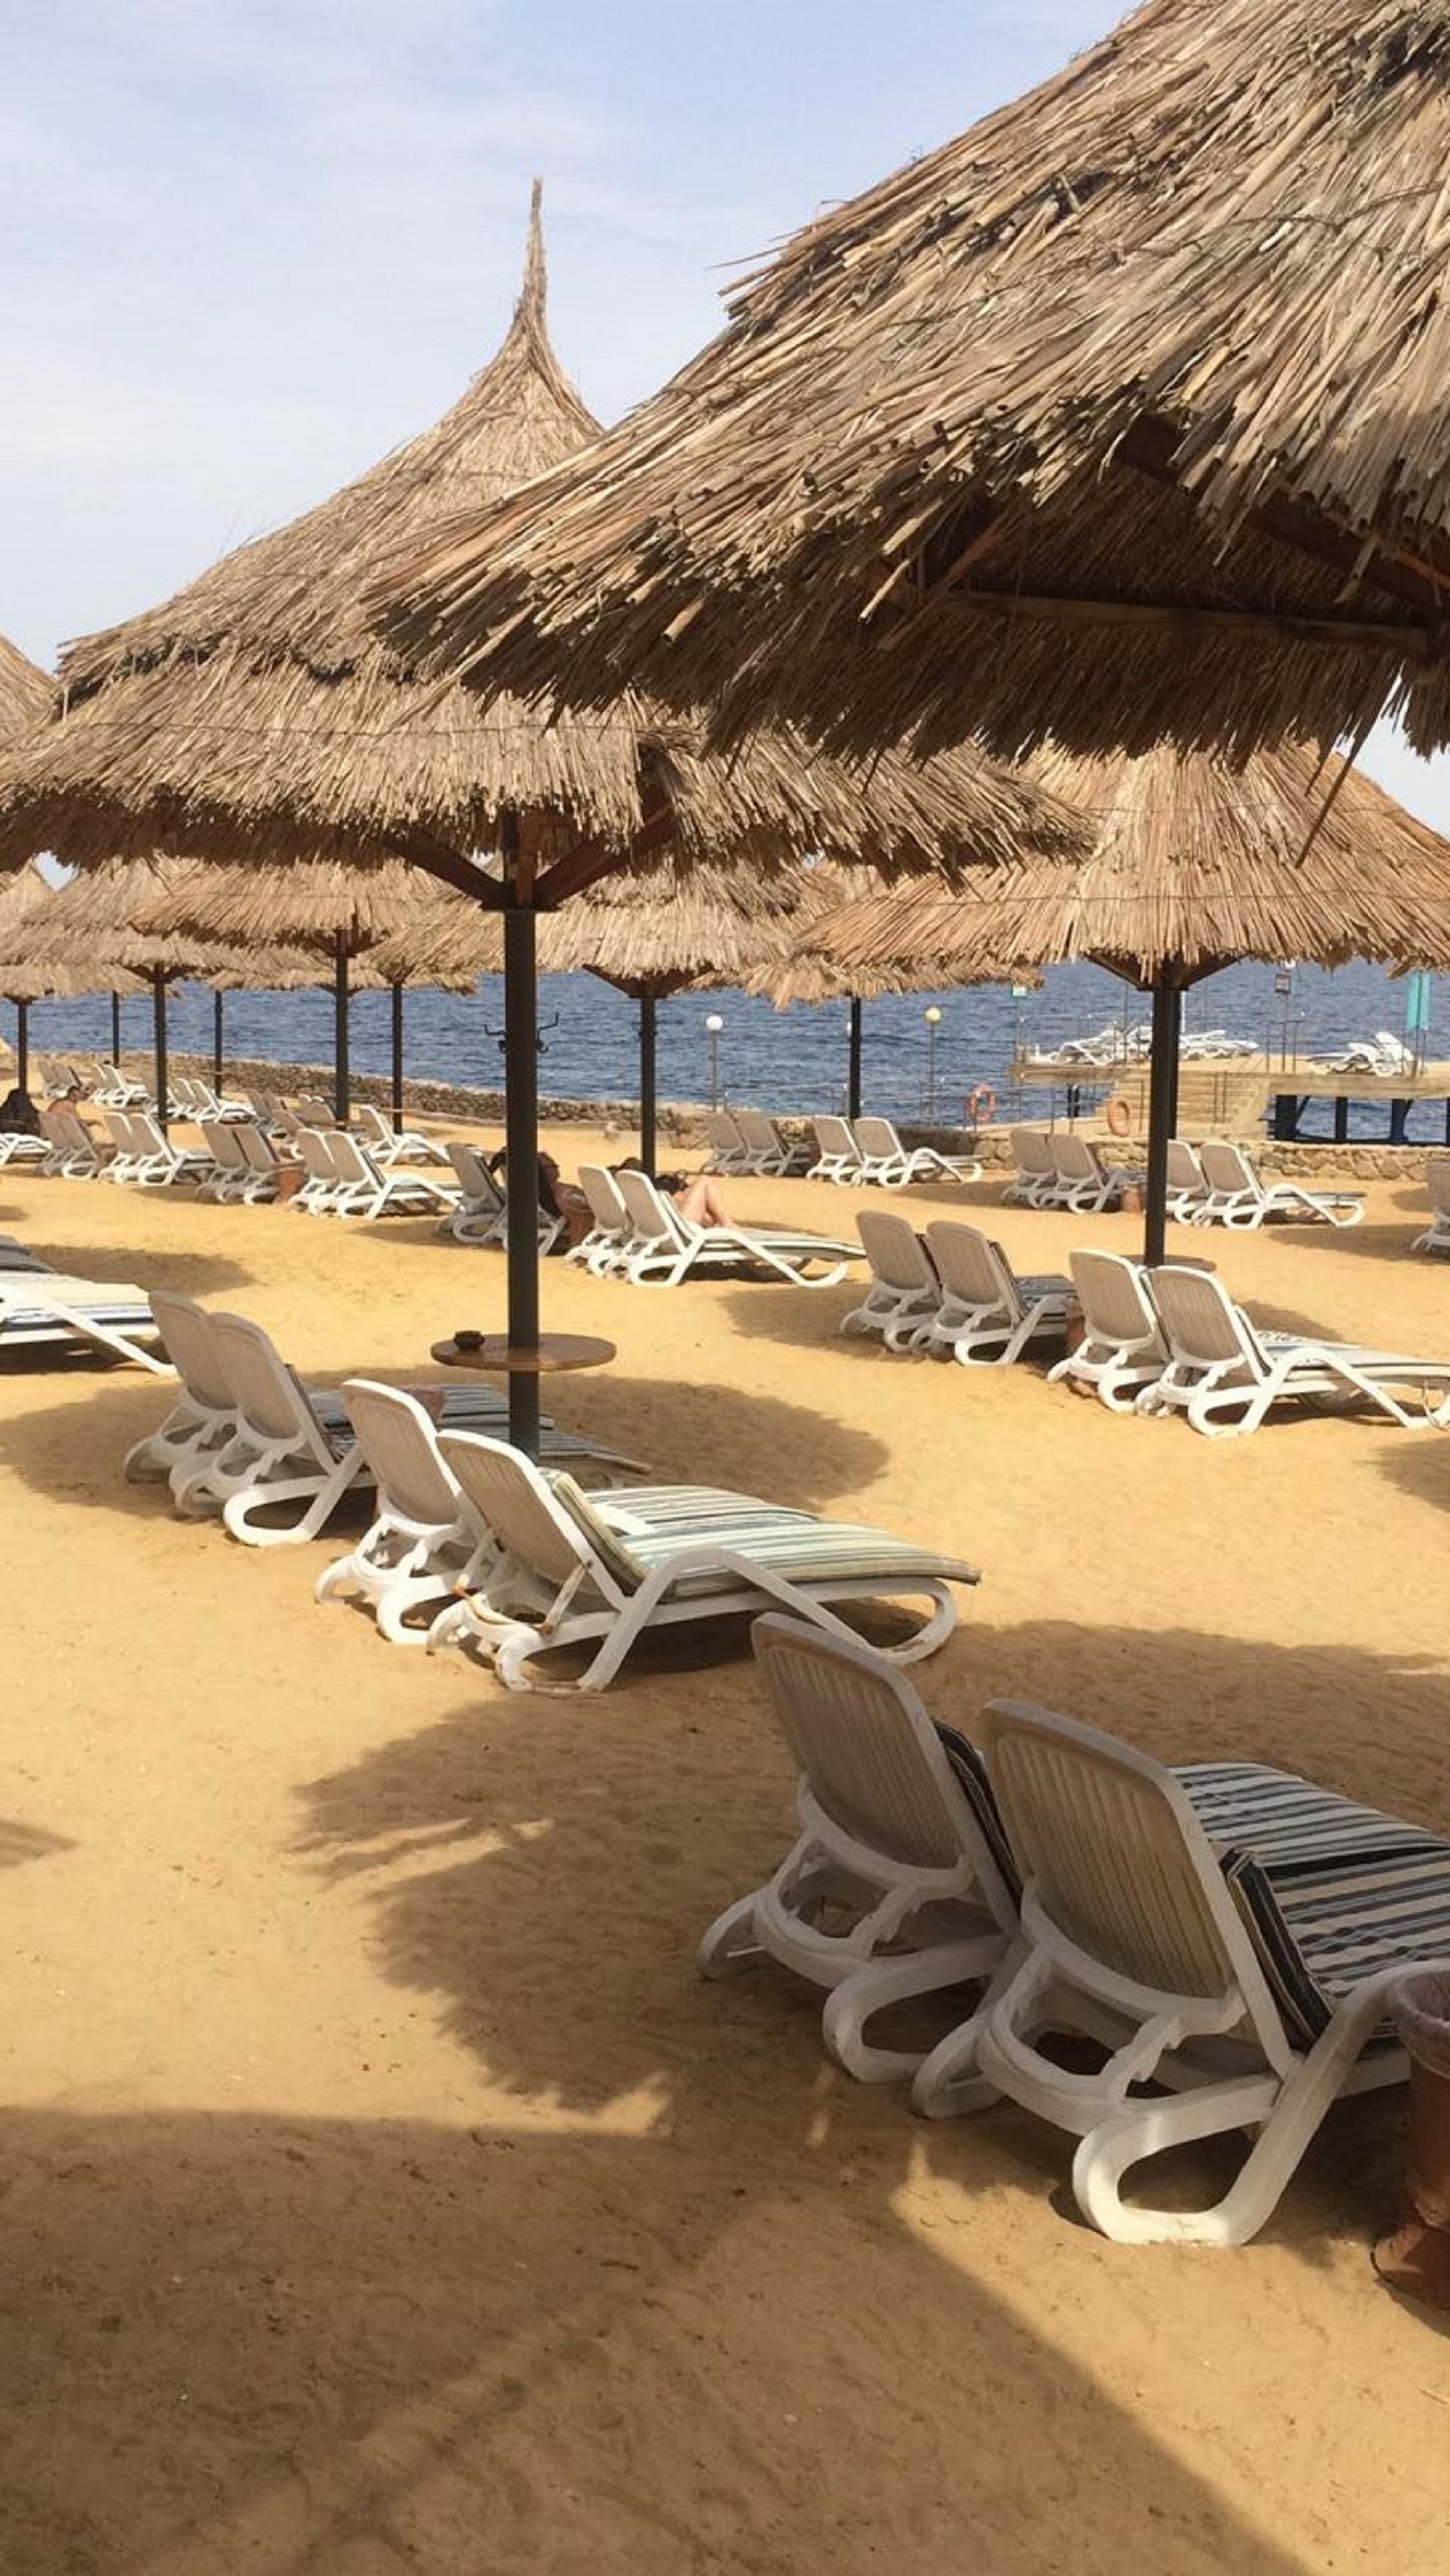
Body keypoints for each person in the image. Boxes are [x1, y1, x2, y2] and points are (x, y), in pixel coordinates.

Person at [613, 1156, 732, 1227]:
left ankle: (725, 1222)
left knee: (700, 1193)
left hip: (665, 1228)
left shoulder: (631, 1196)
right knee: (704, 1180)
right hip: (679, 1227)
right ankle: (727, 1223)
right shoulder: (647, 1195)